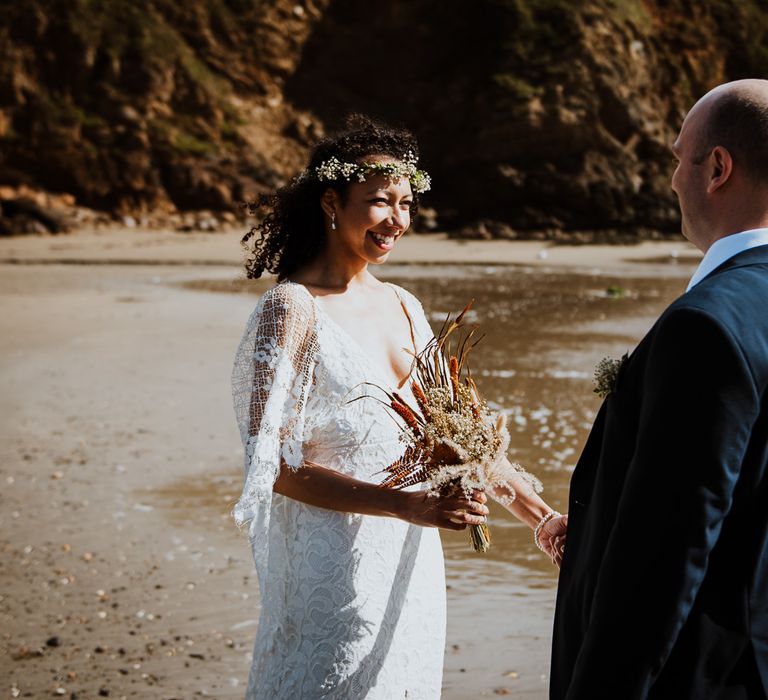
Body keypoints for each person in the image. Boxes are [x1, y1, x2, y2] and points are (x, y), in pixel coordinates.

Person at [232, 115, 565, 699]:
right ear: (331, 202)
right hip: (329, 577)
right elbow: (274, 469)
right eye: (380, 202)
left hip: (410, 570)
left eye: (407, 204)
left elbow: (465, 439)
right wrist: (404, 504)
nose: (397, 220)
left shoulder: (405, 306)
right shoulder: (290, 310)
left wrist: (544, 520)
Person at [550, 79, 768, 699]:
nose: (673, 178)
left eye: (679, 158)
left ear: (717, 168)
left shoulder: (707, 324)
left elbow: (666, 554)